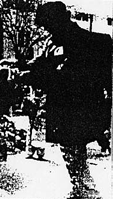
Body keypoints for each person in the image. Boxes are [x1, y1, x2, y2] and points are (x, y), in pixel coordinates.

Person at [21, 1, 112, 197]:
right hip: (64, 108)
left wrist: (31, 76)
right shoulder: (54, 42)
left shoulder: (85, 42)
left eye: (47, 25)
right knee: (71, 152)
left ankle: (88, 192)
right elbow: (41, 64)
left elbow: (64, 75)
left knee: (74, 150)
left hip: (78, 107)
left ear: (57, 21)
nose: (45, 30)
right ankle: (81, 189)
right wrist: (20, 69)